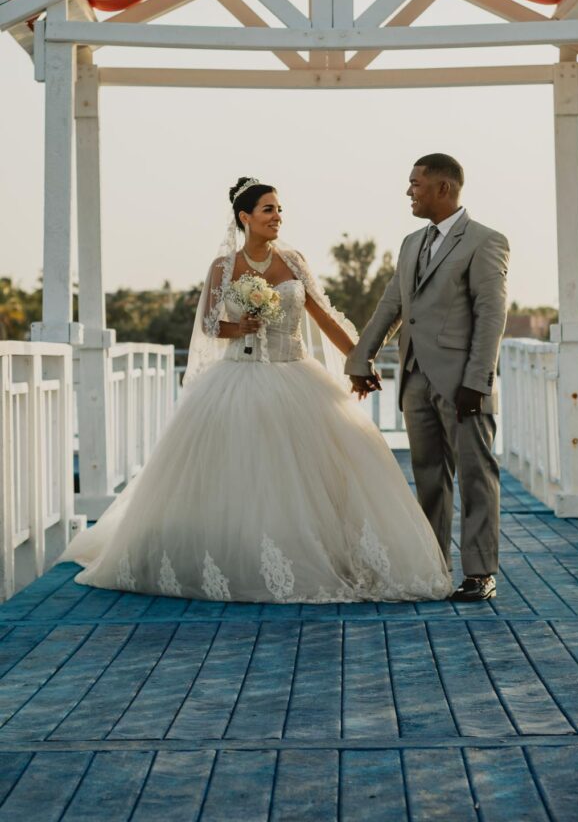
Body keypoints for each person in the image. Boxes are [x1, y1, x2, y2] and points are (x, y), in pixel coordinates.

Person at [58, 177, 452, 603]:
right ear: (245, 217)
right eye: (268, 210)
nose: (277, 217)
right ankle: (241, 556)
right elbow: (208, 325)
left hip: (296, 374)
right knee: (243, 475)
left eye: (280, 209)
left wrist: (360, 359)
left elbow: (323, 316)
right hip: (239, 376)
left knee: (318, 474)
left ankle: (324, 553)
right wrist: (237, 326)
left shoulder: (295, 261)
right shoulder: (224, 267)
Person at [346, 154, 509, 602]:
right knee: (429, 477)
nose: (409, 191)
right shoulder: (410, 242)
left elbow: (491, 314)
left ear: (444, 188)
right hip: (415, 379)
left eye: (416, 183)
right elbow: (390, 307)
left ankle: (479, 573)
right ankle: (433, 565)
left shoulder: (485, 241)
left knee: (476, 474)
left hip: (463, 383)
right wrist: (361, 359)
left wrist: (478, 380)